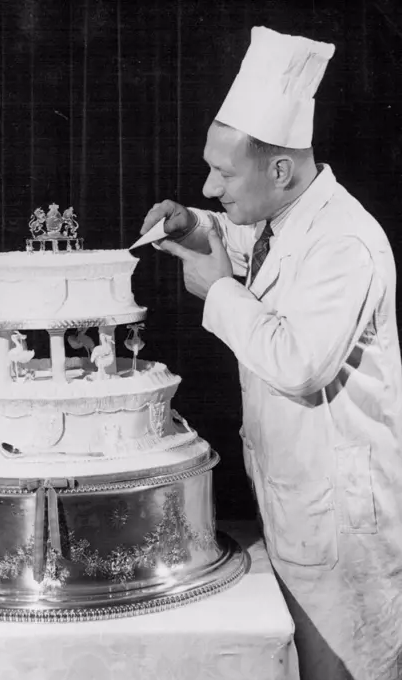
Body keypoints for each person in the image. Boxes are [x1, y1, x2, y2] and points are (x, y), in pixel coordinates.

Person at [140, 26, 402, 680]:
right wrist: (189, 225)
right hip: (296, 504)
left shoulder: (343, 241)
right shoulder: (286, 218)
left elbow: (299, 364)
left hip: (340, 523)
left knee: (342, 669)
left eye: (222, 172)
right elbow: (237, 235)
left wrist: (221, 293)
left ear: (279, 170)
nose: (207, 184)